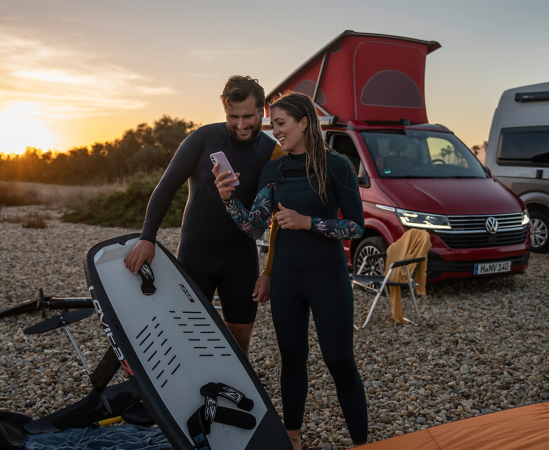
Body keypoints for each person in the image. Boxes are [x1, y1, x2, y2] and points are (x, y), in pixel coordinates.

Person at [213, 92, 368, 448]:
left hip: (327, 275)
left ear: (304, 122)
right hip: (286, 277)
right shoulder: (273, 169)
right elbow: (253, 227)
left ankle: (362, 443)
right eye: (272, 124)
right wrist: (227, 197)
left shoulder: (337, 165)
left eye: (280, 123)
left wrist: (308, 222)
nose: (274, 130)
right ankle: (293, 440)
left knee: (340, 361)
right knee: (292, 360)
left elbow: (356, 228)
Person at [124, 76, 283, 359]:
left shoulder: (272, 152)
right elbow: (167, 186)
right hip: (196, 252)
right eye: (233, 116)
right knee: (187, 335)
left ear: (263, 111)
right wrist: (147, 237)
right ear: (225, 112)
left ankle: (234, 395)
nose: (241, 124)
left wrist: (269, 271)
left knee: (239, 342)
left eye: (248, 116)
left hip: (241, 258)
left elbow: (275, 218)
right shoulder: (204, 138)